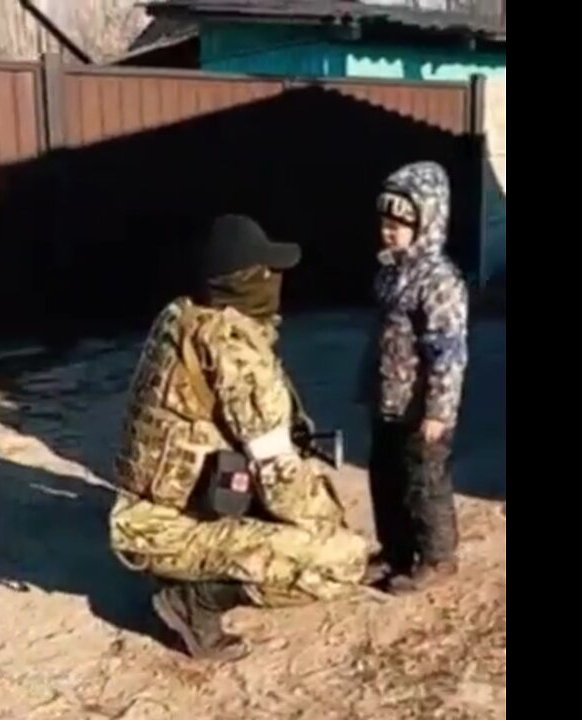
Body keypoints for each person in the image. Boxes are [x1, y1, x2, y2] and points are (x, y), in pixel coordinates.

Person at [108, 214, 371, 661]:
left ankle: (188, 572)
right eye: (268, 273)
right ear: (248, 281)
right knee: (341, 559)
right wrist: (328, 524)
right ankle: (193, 601)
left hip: (147, 510)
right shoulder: (235, 350)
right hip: (168, 528)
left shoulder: (180, 318)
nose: (276, 283)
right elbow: (279, 475)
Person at [360, 160, 469, 595]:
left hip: (423, 406)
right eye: (385, 221)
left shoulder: (441, 282)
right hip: (388, 398)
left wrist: (439, 410)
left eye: (401, 223)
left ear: (427, 223)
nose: (389, 230)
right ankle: (395, 550)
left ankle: (437, 556)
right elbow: (384, 338)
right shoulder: (389, 272)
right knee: (385, 477)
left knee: (424, 482)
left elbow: (448, 351)